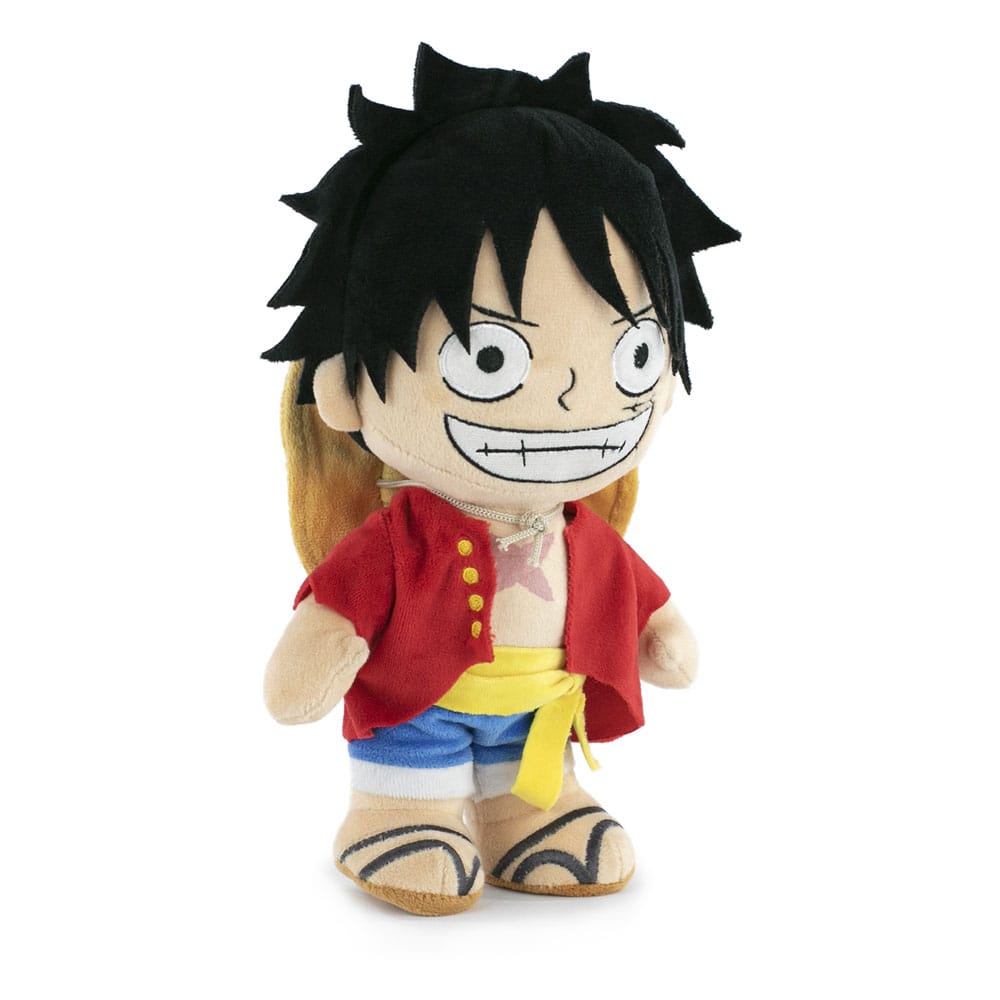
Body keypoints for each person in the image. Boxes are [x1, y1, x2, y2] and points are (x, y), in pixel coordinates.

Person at [262, 44, 739, 916]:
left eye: (635, 355)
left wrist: (660, 630)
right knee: (414, 778)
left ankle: (531, 816)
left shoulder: (578, 530)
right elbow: (341, 605)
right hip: (417, 713)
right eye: (489, 358)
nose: (573, 394)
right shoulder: (400, 540)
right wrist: (316, 655)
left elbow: (635, 598)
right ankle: (398, 819)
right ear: (345, 387)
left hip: (541, 714)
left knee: (535, 779)